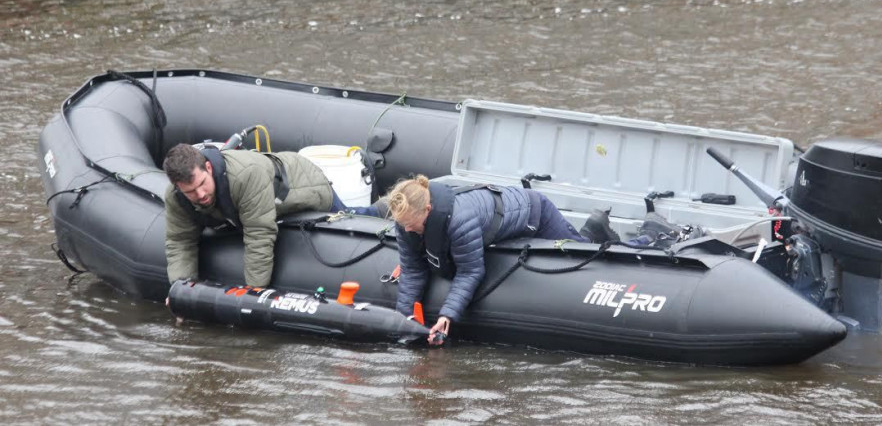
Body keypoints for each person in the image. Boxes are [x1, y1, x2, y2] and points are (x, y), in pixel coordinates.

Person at [387, 175, 589, 345]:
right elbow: (412, 270)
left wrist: (446, 315)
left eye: (411, 224)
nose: (407, 230)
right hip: (498, 227)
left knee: (581, 251)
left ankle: (594, 229)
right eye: (403, 225)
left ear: (428, 210)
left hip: (535, 215)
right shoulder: (406, 223)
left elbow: (470, 271)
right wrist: (404, 323)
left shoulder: (460, 219)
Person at [163, 143, 382, 289]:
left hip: (304, 185)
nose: (199, 194)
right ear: (178, 187)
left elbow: (259, 235)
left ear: (208, 168)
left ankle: (385, 207)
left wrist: (253, 293)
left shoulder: (245, 176)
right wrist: (182, 291)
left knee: (353, 218)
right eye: (190, 191)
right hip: (262, 199)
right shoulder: (176, 198)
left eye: (202, 184)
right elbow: (180, 241)